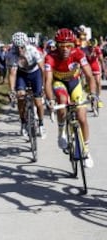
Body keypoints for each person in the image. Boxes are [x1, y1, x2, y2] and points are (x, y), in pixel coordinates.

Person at [44, 28, 97, 168]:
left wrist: (92, 94)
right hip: (59, 82)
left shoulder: (78, 53)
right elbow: (48, 81)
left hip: (74, 82)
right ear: (57, 45)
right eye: (62, 46)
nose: (66, 49)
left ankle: (86, 150)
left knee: (82, 117)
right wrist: (50, 100)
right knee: (62, 101)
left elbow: (90, 75)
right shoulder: (50, 57)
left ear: (74, 45)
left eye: (69, 45)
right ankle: (61, 132)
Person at [6, 32, 46, 139]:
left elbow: (42, 69)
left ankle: (41, 123)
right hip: (22, 74)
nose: (20, 50)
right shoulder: (12, 54)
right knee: (20, 96)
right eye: (17, 47)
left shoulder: (33, 50)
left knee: (38, 101)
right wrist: (11, 90)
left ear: (26, 44)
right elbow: (12, 73)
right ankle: (23, 122)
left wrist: (44, 86)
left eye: (22, 47)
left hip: (35, 73)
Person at [81, 38, 105, 108]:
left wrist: (103, 70)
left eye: (93, 47)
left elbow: (101, 60)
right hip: (87, 66)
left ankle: (99, 98)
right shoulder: (84, 50)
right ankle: (89, 91)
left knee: (98, 81)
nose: (92, 48)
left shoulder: (97, 49)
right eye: (90, 47)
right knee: (87, 82)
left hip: (95, 66)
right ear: (88, 46)